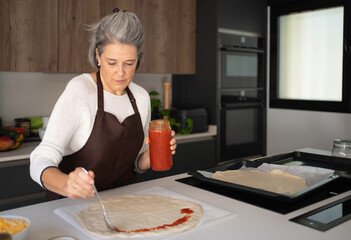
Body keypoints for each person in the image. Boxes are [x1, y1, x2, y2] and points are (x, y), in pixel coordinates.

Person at [30, 8, 177, 201]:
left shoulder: (141, 98)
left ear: (138, 60)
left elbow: (133, 166)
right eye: (112, 62)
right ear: (98, 56)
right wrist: (66, 184)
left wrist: (149, 157)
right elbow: (40, 159)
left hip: (123, 206)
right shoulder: (81, 91)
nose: (120, 73)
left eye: (129, 63)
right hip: (71, 208)